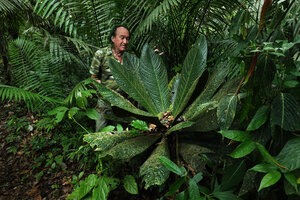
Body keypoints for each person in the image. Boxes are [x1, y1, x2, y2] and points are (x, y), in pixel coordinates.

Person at [90, 25, 130, 131]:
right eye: (122, 37)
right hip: (104, 104)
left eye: (127, 38)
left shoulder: (129, 58)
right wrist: (100, 88)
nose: (125, 41)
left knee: (122, 133)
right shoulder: (101, 54)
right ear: (113, 38)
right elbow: (93, 78)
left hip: (123, 104)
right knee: (100, 133)